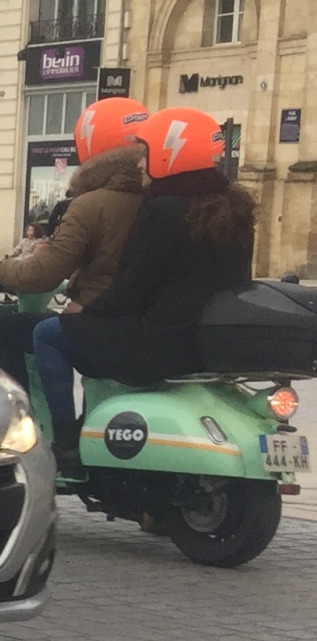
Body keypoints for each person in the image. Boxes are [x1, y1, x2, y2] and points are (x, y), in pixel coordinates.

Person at [32, 108, 255, 475]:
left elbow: (132, 289)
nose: (140, 167)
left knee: (49, 333)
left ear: (171, 154)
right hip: (205, 340)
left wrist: (86, 312)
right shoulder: (235, 209)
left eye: (146, 155)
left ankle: (66, 442)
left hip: (158, 343)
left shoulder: (164, 210)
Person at [0, 115, 151, 396]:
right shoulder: (155, 198)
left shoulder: (90, 204)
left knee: (4, 332)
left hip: (100, 322)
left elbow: (44, 274)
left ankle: (44, 426)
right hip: (140, 322)